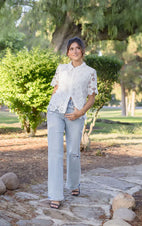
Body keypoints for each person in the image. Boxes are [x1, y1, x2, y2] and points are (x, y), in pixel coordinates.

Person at [47, 37, 98, 209]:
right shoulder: (61, 68)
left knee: (73, 152)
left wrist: (80, 112)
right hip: (55, 110)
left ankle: (74, 184)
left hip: (75, 111)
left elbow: (91, 98)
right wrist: (51, 105)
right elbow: (56, 89)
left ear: (82, 51)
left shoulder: (90, 72)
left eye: (77, 48)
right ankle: (55, 195)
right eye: (71, 49)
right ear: (68, 52)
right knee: (54, 153)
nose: (74, 51)